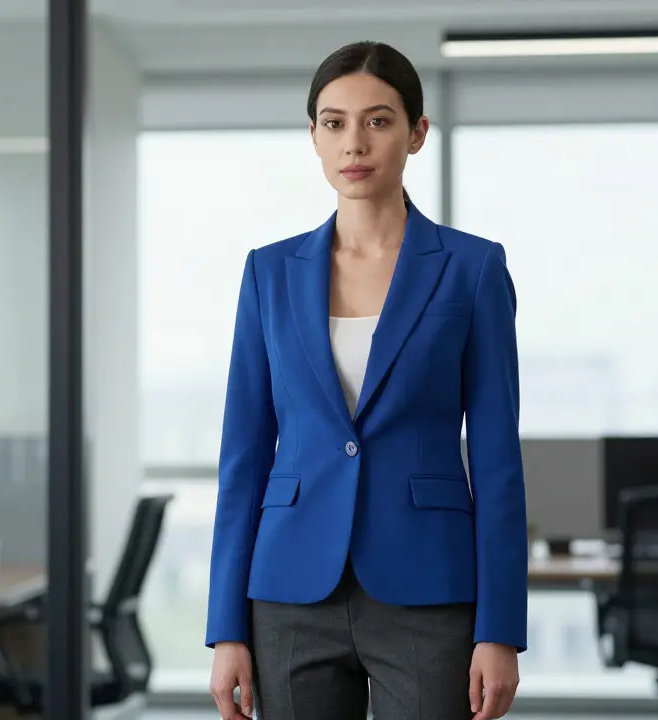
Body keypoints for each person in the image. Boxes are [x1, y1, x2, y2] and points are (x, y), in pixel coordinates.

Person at [204, 40, 527, 720]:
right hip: (291, 590)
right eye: (334, 122)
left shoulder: (471, 270)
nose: (355, 141)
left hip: (428, 590)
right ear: (315, 138)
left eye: (378, 120)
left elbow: (498, 463)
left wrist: (500, 628)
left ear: (416, 133)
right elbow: (243, 459)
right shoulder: (270, 274)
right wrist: (226, 627)